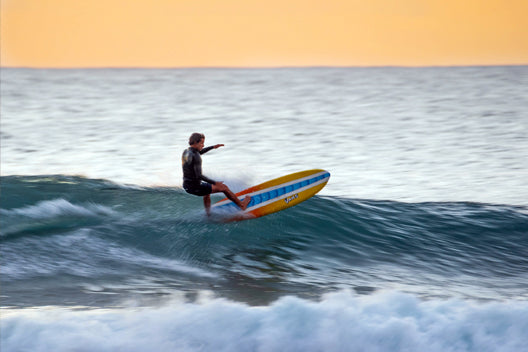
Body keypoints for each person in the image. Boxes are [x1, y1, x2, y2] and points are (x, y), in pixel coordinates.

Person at [182, 133, 251, 215]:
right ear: (195, 143)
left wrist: (213, 147)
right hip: (195, 187)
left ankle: (208, 213)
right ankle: (242, 205)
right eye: (201, 143)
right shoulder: (196, 157)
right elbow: (199, 175)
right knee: (224, 188)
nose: (203, 145)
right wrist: (215, 183)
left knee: (207, 192)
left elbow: (199, 152)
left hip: (187, 185)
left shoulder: (186, 152)